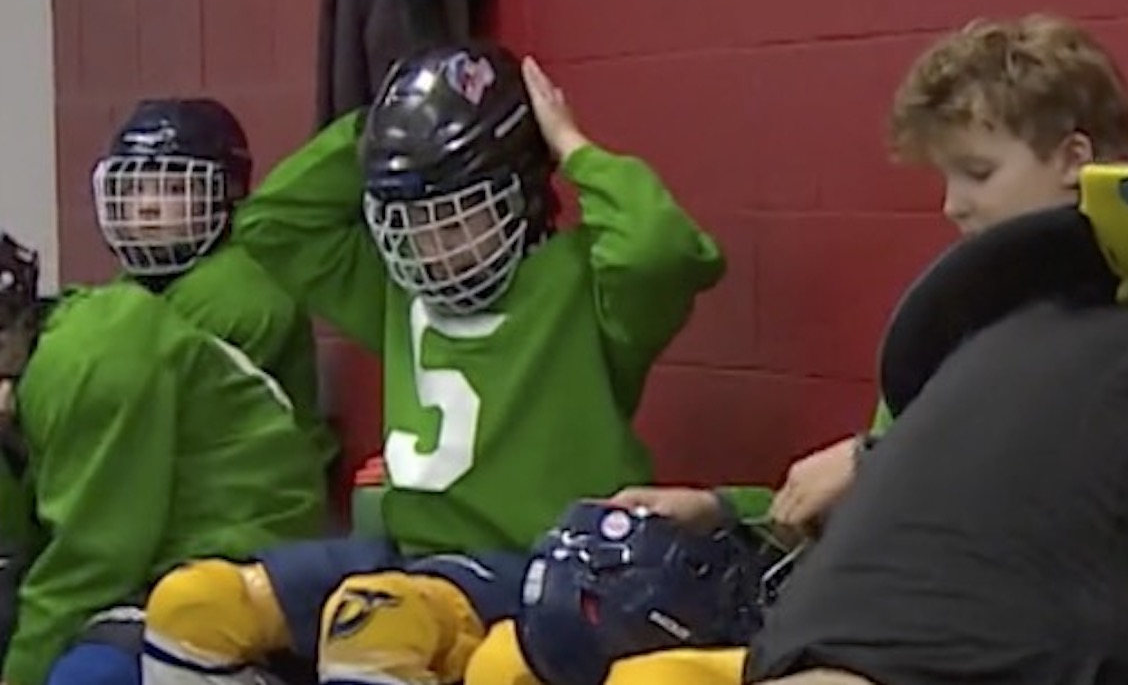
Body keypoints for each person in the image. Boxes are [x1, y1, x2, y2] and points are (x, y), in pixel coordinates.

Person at [462, 13, 1128, 685]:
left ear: (1072, 160)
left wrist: (873, 462)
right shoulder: (959, 322)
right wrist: (724, 511)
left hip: (959, 642)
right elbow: (866, 519)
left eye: (978, 172)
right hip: (854, 612)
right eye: (948, 178)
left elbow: (1042, 501)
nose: (953, 205)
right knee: (508, 659)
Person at [139, 41, 725, 685]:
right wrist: (388, 127)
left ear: (523, 196)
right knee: (193, 604)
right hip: (406, 556)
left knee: (373, 626)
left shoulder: (585, 288)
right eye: (411, 225)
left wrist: (568, 144)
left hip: (534, 564)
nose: (431, 249)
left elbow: (659, 249)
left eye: (455, 223)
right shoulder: (400, 291)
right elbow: (274, 222)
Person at [0, 231, 327, 685]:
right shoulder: (44, 360)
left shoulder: (90, 360)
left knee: (91, 676)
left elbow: (93, 560)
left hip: (235, 550)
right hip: (148, 554)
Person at [91, 97, 339, 474]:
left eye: (173, 189)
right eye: (135, 188)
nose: (147, 206)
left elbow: (140, 405)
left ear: (229, 191)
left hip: (261, 490)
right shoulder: (138, 283)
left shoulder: (246, 286)